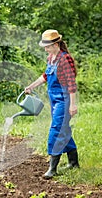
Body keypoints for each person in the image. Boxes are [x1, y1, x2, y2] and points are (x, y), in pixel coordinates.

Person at [25, 29, 79, 179]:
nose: (45, 49)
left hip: (64, 100)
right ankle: (73, 162)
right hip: (54, 100)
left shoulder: (65, 59)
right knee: (64, 128)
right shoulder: (51, 58)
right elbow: (45, 76)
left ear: (56, 44)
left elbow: (71, 84)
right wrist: (31, 86)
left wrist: (73, 105)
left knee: (56, 130)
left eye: (47, 46)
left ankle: (52, 167)